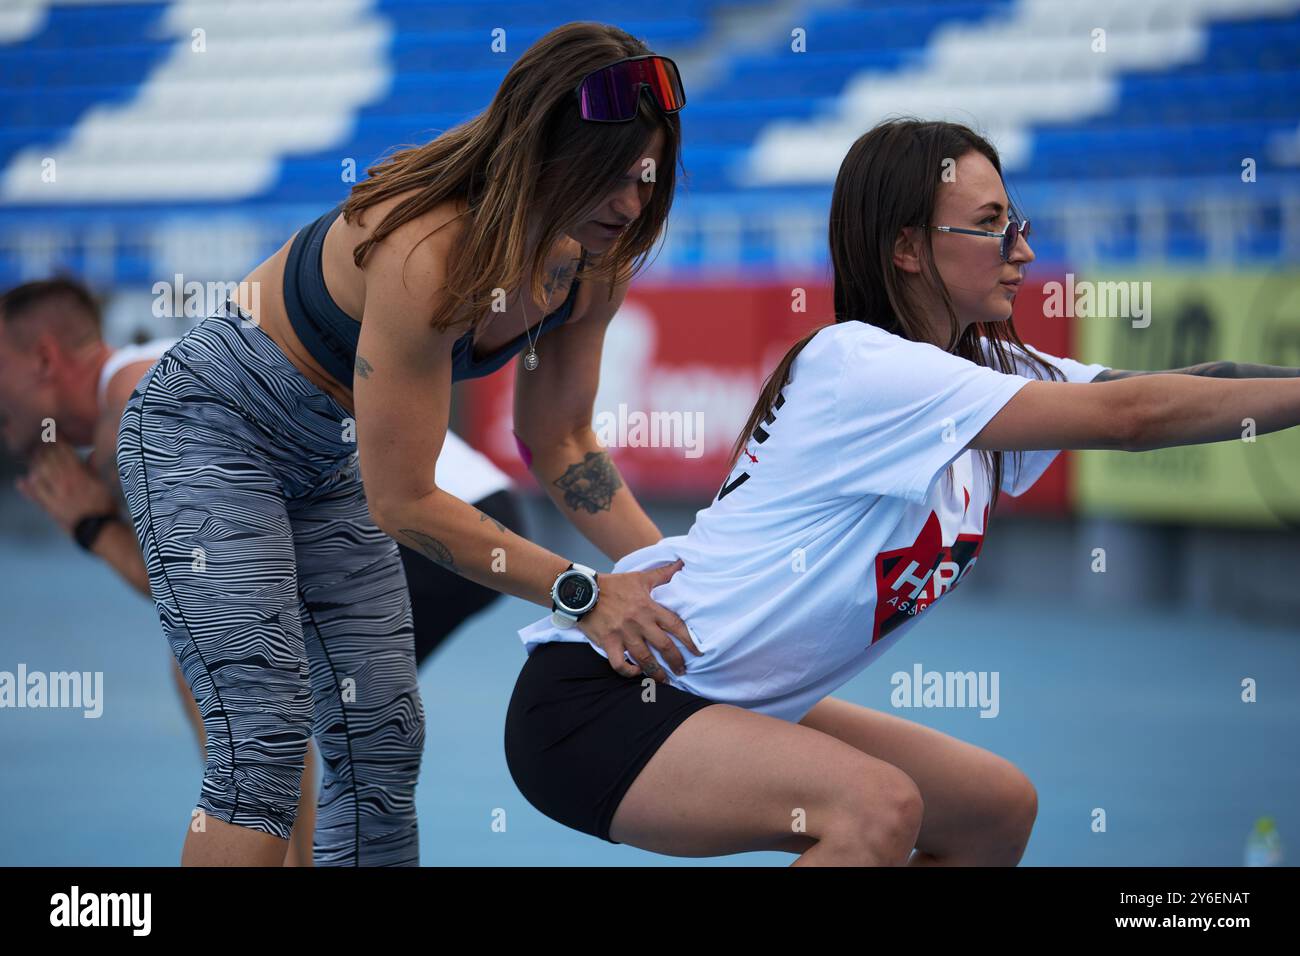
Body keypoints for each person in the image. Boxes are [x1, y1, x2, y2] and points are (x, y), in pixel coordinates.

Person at [502, 118, 1300, 865]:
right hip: (605, 700)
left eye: (1016, 221)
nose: (1022, 248)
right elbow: (1132, 418)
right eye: (992, 225)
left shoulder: (989, 374)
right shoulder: (864, 365)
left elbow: (1187, 387)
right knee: (874, 808)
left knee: (994, 808)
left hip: (715, 696)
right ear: (909, 248)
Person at [115, 22, 700, 866]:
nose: (631, 203)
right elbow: (402, 502)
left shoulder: (594, 265)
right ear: (543, 155)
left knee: (381, 741)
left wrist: (677, 574)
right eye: (609, 175)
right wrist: (583, 591)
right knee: (265, 746)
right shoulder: (431, 248)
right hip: (209, 431)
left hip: (325, 459)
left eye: (647, 176)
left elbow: (562, 441)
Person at [0, 276, 526, 866]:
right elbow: (205, 586)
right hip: (469, 505)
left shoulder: (139, 396)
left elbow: (209, 592)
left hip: (424, 518)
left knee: (258, 694)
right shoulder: (157, 381)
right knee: (309, 714)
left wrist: (93, 529)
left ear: (44, 358)